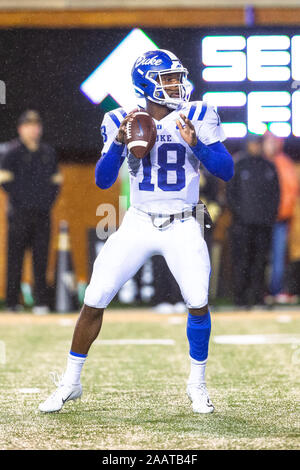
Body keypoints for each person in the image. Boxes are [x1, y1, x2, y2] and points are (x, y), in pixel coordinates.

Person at [38, 49, 233, 414]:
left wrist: (197, 145)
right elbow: (102, 179)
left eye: (177, 77)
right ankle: (70, 381)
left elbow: (225, 170)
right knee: (94, 298)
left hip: (184, 220)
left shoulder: (198, 114)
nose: (177, 84)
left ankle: (197, 385)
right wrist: (118, 143)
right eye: (168, 79)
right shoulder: (119, 119)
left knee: (197, 301)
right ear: (147, 84)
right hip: (138, 221)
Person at [0, 110, 62, 313]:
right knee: (15, 259)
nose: (33, 129)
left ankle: (41, 302)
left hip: (43, 215)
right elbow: (5, 183)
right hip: (18, 215)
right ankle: (12, 302)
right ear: (20, 129)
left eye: (36, 125)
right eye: (29, 125)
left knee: (41, 259)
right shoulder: (11, 152)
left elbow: (56, 184)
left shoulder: (48, 152)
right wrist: (24, 199)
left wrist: (44, 202)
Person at [226, 135, 280, 308]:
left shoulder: (269, 166)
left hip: (263, 225)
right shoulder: (239, 165)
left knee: (261, 262)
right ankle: (240, 299)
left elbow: (276, 195)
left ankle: (257, 298)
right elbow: (230, 194)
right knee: (242, 262)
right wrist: (240, 215)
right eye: (253, 143)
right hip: (242, 224)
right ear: (247, 145)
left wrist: (269, 216)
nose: (256, 147)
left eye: (258, 144)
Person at [262, 131, 299, 304]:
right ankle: (259, 291)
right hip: (261, 218)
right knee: (260, 256)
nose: (272, 145)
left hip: (279, 219)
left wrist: (282, 213)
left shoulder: (284, 163)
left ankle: (276, 290)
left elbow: (290, 193)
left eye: (274, 141)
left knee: (278, 257)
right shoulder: (258, 161)